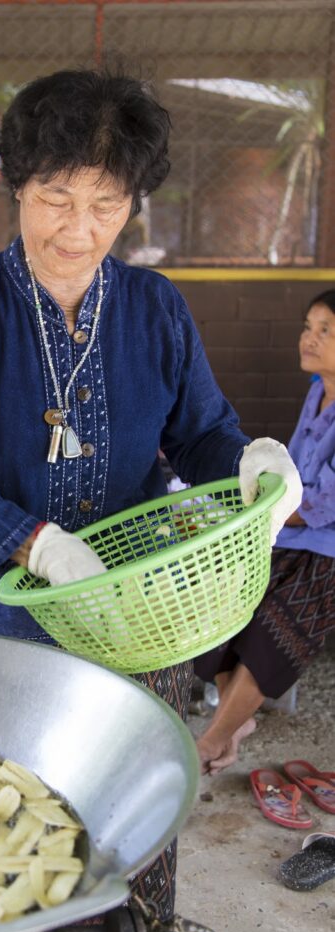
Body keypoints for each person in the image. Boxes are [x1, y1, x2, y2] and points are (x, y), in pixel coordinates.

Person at [0, 67, 301, 932]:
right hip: (8, 616)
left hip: (137, 612)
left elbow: (201, 435)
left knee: (139, 786)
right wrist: (31, 543)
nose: (78, 230)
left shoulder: (154, 307)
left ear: (132, 202)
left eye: (105, 204)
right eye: (55, 199)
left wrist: (251, 460)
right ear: (16, 187)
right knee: (13, 805)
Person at [195, 290, 335, 775]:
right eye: (307, 327)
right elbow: (289, 473)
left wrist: (257, 510)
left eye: (325, 331)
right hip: (291, 535)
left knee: (274, 625)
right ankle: (234, 724)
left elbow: (321, 502)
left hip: (328, 549)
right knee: (225, 599)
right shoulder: (318, 392)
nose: (308, 338)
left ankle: (212, 740)